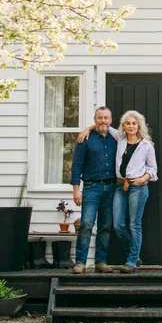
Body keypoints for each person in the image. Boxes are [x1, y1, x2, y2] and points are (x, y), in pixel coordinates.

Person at [78, 109, 157, 273]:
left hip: (138, 187)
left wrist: (144, 178)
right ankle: (134, 255)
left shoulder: (146, 146)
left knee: (135, 224)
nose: (131, 126)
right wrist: (88, 129)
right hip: (120, 187)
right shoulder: (119, 138)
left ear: (139, 125)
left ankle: (131, 261)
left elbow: (153, 168)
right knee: (118, 224)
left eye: (134, 123)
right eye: (127, 123)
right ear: (123, 126)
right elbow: (103, 125)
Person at [69, 106, 118, 274]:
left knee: (105, 226)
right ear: (95, 119)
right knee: (87, 224)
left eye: (106, 118)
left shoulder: (116, 139)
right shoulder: (86, 139)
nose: (103, 121)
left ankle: (101, 262)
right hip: (91, 188)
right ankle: (80, 263)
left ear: (110, 120)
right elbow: (76, 166)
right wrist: (76, 189)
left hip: (111, 187)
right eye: (99, 118)